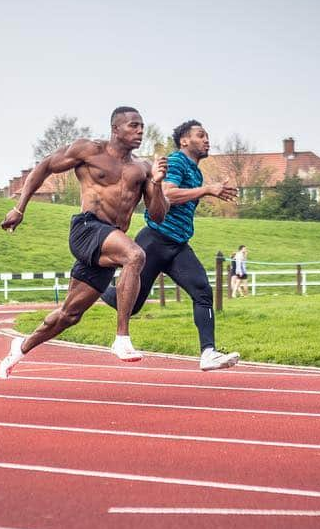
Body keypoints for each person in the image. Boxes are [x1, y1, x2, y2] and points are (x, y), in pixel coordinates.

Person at [0, 107, 169, 379]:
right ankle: (122, 337)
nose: (139, 131)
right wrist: (19, 208)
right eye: (133, 126)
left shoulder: (143, 168)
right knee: (136, 255)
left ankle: (20, 347)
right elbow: (43, 168)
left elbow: (158, 215)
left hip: (110, 240)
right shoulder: (89, 151)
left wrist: (157, 184)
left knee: (70, 314)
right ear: (116, 129)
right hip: (87, 228)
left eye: (142, 127)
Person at [100, 119, 241, 371]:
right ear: (185, 140)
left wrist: (205, 188)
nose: (207, 140)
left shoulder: (195, 171)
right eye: (201, 135)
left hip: (177, 245)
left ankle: (208, 353)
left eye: (207, 135)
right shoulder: (176, 161)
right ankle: (93, 282)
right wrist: (208, 190)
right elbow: (167, 194)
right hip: (154, 240)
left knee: (203, 292)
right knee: (131, 305)